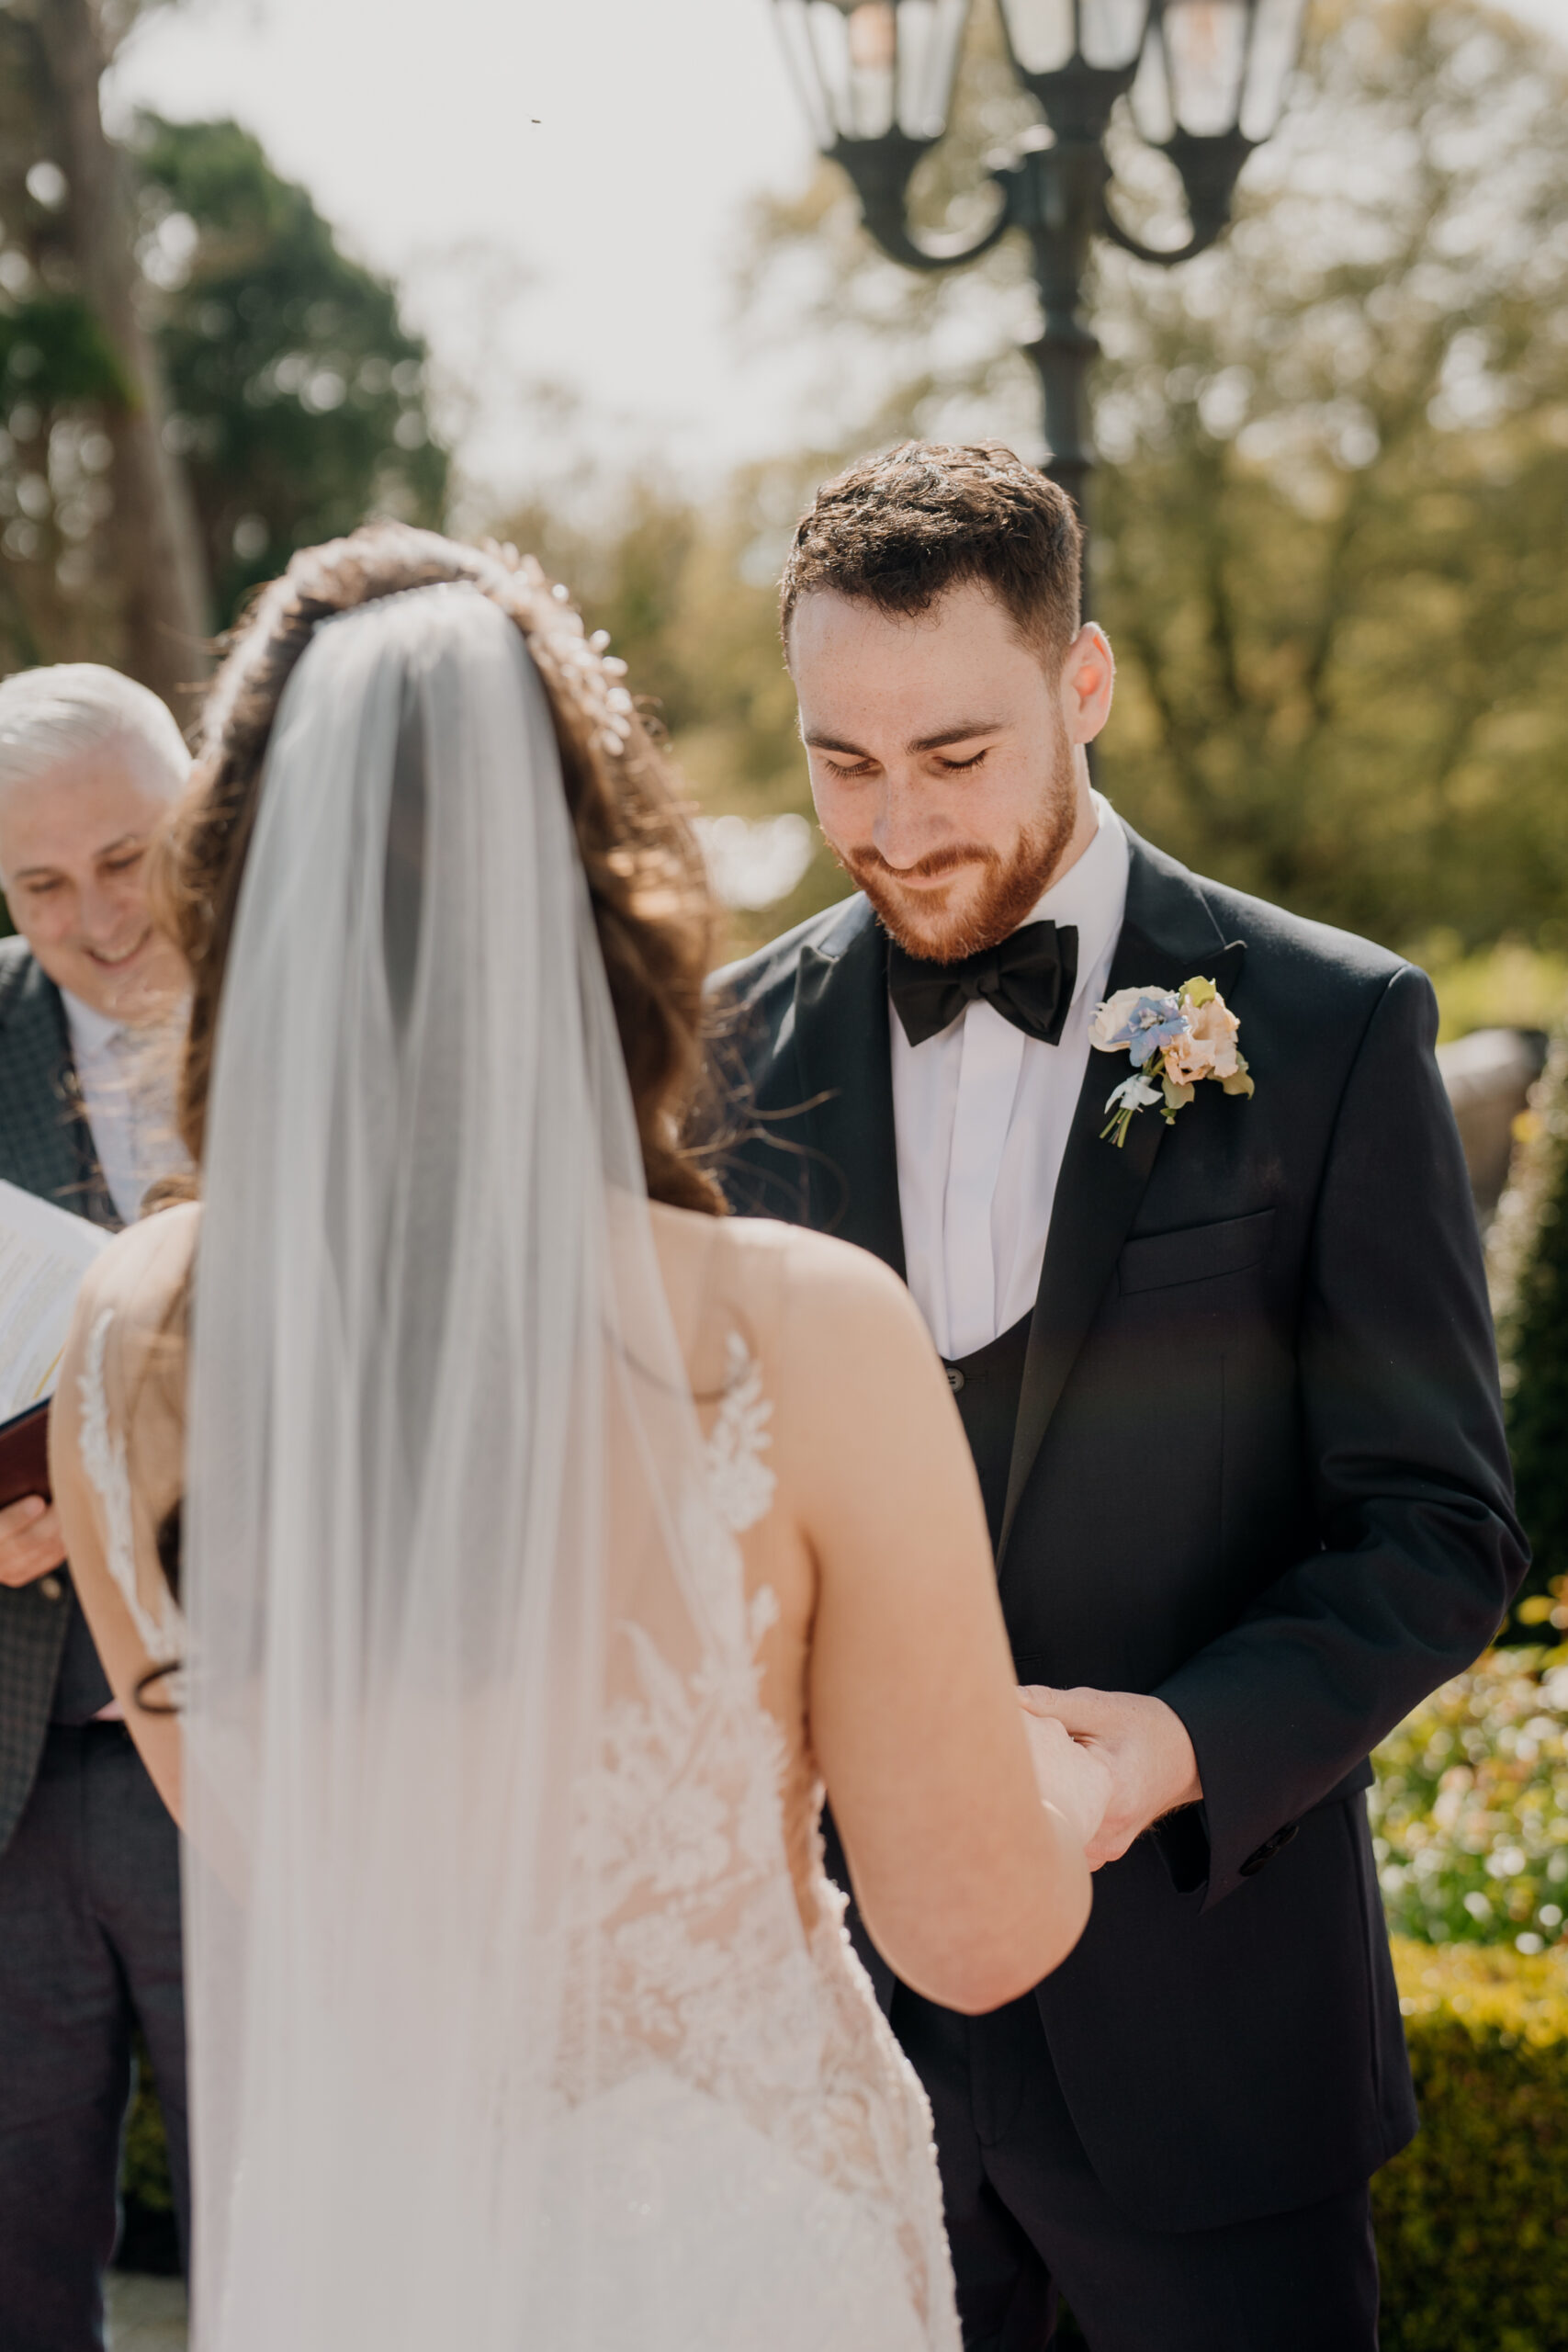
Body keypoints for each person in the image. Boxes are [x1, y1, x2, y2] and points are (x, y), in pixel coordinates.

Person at [48, 526, 1107, 2352]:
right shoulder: (800, 1323)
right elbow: (969, 1931)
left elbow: (281, 1863)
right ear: (613, 880)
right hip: (741, 2241)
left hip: (380, 2242)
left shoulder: (124, 1343)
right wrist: (1080, 1769)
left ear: (240, 896)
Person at [712, 441, 1528, 2352]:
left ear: (1083, 684)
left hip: (1212, 2044)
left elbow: (1431, 1527)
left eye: (953, 754)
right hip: (842, 2054)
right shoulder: (719, 1054)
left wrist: (1151, 1752)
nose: (895, 825)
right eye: (841, 761)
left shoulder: (1326, 1027)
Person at [0, 664, 192, 2351]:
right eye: (42, 886)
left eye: (128, 859)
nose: (98, 920)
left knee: (298, 2227)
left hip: (250, 1742)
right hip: (7, 1762)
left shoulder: (333, 1021)